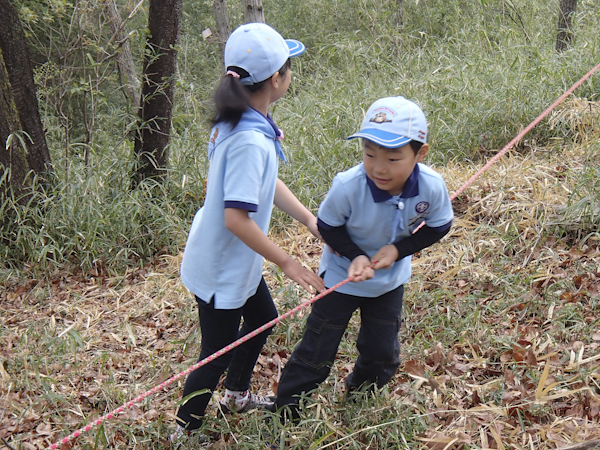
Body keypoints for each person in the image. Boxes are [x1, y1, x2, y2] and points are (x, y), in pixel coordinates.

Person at [173, 22, 325, 439]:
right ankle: (185, 431)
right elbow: (236, 218)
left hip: (231, 258)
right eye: (289, 68)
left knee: (263, 318)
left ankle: (236, 394)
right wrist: (289, 262)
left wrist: (309, 220)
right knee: (214, 354)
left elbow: (264, 183)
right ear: (277, 79)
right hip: (223, 264)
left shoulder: (244, 120)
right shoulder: (250, 140)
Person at [274, 96, 454, 419]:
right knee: (316, 351)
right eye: (369, 154)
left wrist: (399, 250)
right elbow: (327, 226)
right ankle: (285, 411)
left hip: (388, 284)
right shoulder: (348, 186)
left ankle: (359, 396)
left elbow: (440, 225)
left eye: (393, 158)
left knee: (382, 352)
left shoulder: (431, 187)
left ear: (420, 153)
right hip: (340, 279)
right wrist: (355, 255)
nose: (378, 168)